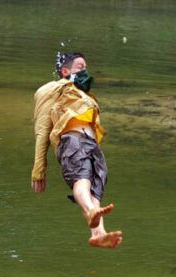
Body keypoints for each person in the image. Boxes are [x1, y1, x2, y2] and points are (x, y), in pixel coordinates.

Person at [31, 52, 122, 248]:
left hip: (93, 145)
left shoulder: (84, 95)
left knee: (95, 194)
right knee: (82, 181)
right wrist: (39, 168)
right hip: (72, 140)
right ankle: (90, 211)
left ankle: (99, 234)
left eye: (86, 67)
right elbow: (42, 129)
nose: (85, 71)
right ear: (65, 71)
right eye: (80, 67)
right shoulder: (52, 89)